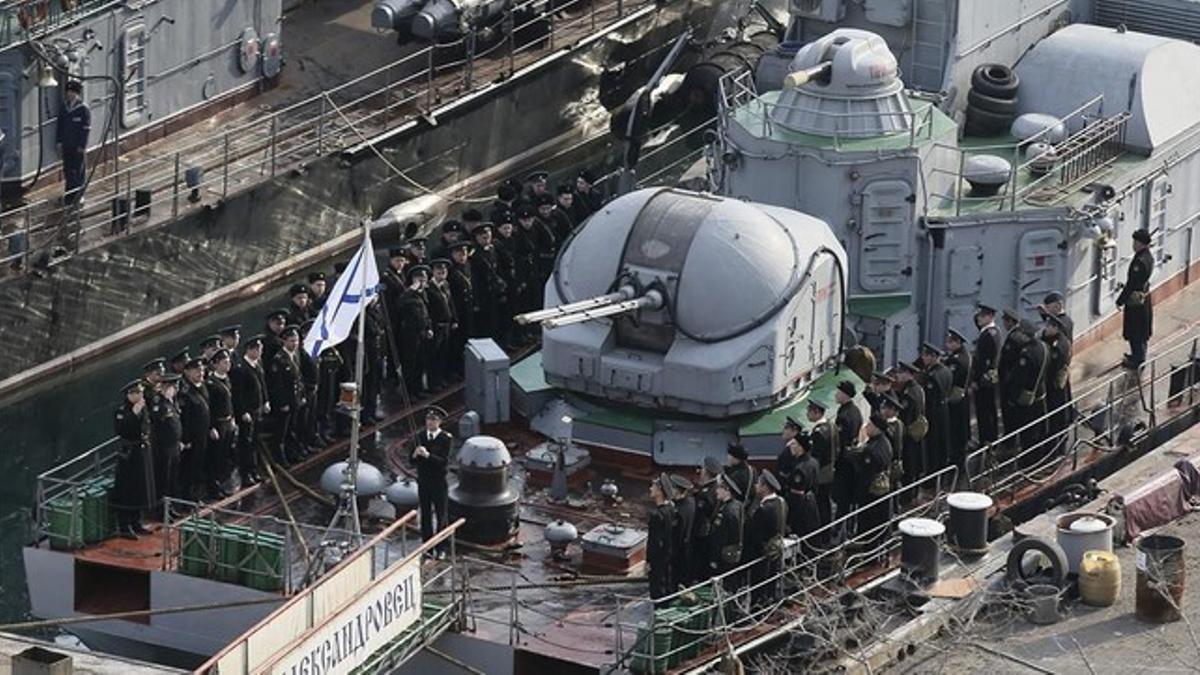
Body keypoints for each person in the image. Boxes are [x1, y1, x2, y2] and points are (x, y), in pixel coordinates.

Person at [114, 380, 154, 538]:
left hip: (141, 452)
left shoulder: (143, 408)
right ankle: (125, 525)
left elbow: (146, 427)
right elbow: (122, 429)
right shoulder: (122, 411)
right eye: (137, 393)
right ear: (130, 395)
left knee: (140, 487)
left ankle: (136, 521)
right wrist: (134, 415)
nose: (141, 395)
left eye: (141, 392)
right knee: (127, 490)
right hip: (128, 455)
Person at [411, 407, 454, 551]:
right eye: (429, 419)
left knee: (441, 514)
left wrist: (428, 455)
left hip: (438, 481)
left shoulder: (445, 439)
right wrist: (415, 455)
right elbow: (411, 462)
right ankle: (427, 545)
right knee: (425, 513)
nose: (430, 422)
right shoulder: (420, 436)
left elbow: (443, 462)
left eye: (434, 420)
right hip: (423, 480)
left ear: (439, 422)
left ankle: (442, 547)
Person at [231, 335, 267, 485]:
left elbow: (262, 384)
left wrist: (265, 400)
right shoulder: (241, 369)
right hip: (248, 413)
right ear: (250, 350)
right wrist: (243, 411)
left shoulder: (257, 364)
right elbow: (238, 394)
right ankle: (246, 474)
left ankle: (254, 469)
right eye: (257, 349)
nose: (260, 352)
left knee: (255, 442)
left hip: (257, 409)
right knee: (246, 442)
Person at [1012, 320, 1049, 465]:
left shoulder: (1026, 353)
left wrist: (1013, 396)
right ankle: (1038, 455)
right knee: (1039, 428)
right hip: (1040, 393)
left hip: (1028, 397)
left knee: (1028, 430)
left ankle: (1028, 460)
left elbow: (1019, 378)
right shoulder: (1043, 347)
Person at [747, 470, 786, 606]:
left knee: (759, 586)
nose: (756, 486)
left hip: (762, 555)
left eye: (758, 483)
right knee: (771, 582)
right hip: (775, 551)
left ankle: (757, 610)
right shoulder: (781, 502)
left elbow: (756, 536)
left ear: (765, 487)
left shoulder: (763, 509)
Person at [854, 414, 894, 551]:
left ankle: (869, 552)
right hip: (883, 489)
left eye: (869, 425)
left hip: (871, 492)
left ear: (876, 428)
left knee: (869, 523)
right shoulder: (885, 442)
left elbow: (865, 472)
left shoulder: (871, 450)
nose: (866, 427)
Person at [1117, 229, 1155, 368]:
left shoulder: (1139, 262)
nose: (1134, 245)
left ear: (1141, 243)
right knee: (1142, 329)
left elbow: (1131, 284)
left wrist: (1120, 300)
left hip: (1135, 300)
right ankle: (1139, 355)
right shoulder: (1148, 257)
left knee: (1135, 330)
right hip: (1144, 297)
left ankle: (1137, 360)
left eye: (1136, 242)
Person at [267, 325, 304, 464]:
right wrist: (282, 403)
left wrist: (301, 396)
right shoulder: (279, 360)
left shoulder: (295, 355)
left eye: (296, 341)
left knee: (293, 428)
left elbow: (299, 378)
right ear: (284, 342)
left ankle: (292, 452)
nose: (294, 344)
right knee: (282, 431)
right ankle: (279, 458)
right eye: (291, 341)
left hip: (295, 399)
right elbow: (277, 385)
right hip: (285, 403)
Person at [781, 422, 821, 545]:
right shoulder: (813, 462)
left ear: (800, 447)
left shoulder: (800, 469)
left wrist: (789, 521)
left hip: (801, 510)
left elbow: (796, 497)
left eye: (794, 444)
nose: (791, 446)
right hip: (812, 504)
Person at [149, 374, 182, 519]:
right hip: (163, 448)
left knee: (172, 479)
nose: (174, 389)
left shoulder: (171, 402)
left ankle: (170, 507)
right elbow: (156, 423)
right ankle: (160, 511)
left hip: (174, 446)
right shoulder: (159, 404)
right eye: (171, 387)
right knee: (162, 480)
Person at [178, 358, 211, 502]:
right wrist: (186, 439)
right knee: (189, 469)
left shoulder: (202, 386)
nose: (200, 373)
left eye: (202, 370)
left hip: (203, 435)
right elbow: (184, 419)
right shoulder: (185, 393)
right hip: (191, 439)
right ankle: (188, 498)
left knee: (200, 465)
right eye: (196, 371)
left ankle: (197, 494)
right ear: (187, 372)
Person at [398, 265, 434, 396]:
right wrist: (411, 289)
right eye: (419, 279)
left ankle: (418, 389)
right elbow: (400, 303)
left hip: (422, 333)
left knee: (420, 363)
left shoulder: (423, 294)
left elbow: (426, 313)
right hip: (410, 334)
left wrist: (429, 328)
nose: (422, 282)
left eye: (424, 279)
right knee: (410, 365)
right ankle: (408, 392)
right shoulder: (408, 294)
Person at [205, 349, 236, 499]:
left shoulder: (226, 379)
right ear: (216, 364)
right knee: (216, 456)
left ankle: (225, 481)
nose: (228, 364)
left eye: (229, 362)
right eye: (224, 362)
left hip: (228, 421)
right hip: (218, 424)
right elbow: (209, 408)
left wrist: (233, 419)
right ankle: (214, 486)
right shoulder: (211, 383)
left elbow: (230, 402)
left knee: (226, 454)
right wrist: (211, 427)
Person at [1042, 314, 1074, 454]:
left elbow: (1052, 366)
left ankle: (1058, 445)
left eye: (1048, 326)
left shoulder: (1059, 345)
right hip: (1056, 385)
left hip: (1056, 386)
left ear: (1055, 328)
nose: (1045, 329)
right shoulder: (1054, 340)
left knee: (1058, 414)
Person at [919, 343, 952, 474]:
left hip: (933, 413)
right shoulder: (946, 371)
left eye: (926, 355)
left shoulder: (932, 376)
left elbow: (929, 399)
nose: (923, 358)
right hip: (944, 410)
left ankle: (932, 475)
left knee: (933, 446)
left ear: (933, 356)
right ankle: (942, 470)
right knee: (942, 442)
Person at [469, 224, 506, 341]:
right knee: (486, 324)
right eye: (484, 238)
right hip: (483, 294)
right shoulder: (475, 255)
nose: (487, 240)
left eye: (488, 237)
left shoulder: (493, 249)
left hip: (494, 292)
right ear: (477, 238)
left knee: (497, 320)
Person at [706, 473, 745, 588]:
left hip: (724, 555)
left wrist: (715, 558)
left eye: (720, 488)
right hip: (728, 552)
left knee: (725, 584)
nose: (717, 490)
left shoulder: (729, 511)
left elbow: (724, 536)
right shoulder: (736, 505)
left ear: (727, 491)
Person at [971, 304, 1002, 445]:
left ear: (990, 317)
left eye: (982, 316)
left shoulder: (988, 335)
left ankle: (987, 439)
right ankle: (989, 438)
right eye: (979, 315)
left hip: (984, 379)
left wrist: (976, 379)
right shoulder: (993, 332)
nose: (979, 318)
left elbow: (984, 361)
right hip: (990, 377)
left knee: (985, 410)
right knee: (989, 409)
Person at [57, 80, 90, 207]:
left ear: (77, 93)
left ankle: (79, 195)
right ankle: (69, 193)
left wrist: (82, 145)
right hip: (67, 144)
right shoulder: (64, 107)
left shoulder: (83, 109)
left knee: (78, 170)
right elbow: (60, 126)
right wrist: (59, 142)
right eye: (68, 92)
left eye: (72, 92)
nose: (69, 94)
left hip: (77, 146)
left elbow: (86, 129)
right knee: (68, 170)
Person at [894, 363, 927, 492]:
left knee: (909, 464)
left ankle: (909, 494)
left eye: (901, 373)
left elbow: (904, 415)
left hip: (909, 433)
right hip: (917, 431)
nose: (898, 375)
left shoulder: (908, 394)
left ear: (908, 374)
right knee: (916, 463)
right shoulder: (918, 388)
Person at [425, 259, 457, 389]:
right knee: (434, 356)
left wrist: (454, 319)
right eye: (439, 271)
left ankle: (441, 379)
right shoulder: (429, 288)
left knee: (444, 354)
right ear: (433, 272)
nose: (442, 273)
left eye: (444, 271)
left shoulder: (445, 285)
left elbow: (451, 303)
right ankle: (433, 383)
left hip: (447, 325)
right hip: (436, 326)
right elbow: (427, 310)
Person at [803, 400, 835, 529]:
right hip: (830, 469)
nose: (807, 414)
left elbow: (816, 457)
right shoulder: (830, 426)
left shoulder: (818, 432)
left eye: (809, 411)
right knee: (825, 502)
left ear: (816, 412)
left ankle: (822, 531)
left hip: (821, 474)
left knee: (821, 503)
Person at [833, 381, 861, 523]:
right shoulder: (855, 411)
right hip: (853, 456)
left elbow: (840, 440)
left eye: (839, 392)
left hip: (844, 459)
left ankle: (841, 526)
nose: (836, 395)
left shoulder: (844, 416)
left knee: (842, 496)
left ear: (845, 394)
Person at [945, 330, 973, 471]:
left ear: (957, 343)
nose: (947, 344)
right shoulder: (961, 356)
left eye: (950, 342)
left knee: (957, 431)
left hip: (957, 399)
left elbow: (950, 379)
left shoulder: (958, 360)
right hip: (962, 397)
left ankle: (958, 461)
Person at [647, 475, 677, 599]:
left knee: (657, 589)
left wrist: (649, 560)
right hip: (669, 556)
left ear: (659, 490)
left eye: (653, 487)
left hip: (658, 559)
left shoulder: (657, 515)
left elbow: (655, 541)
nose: (650, 489)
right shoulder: (671, 509)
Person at [692, 456, 722, 582]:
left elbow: (700, 516)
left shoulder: (706, 494)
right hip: (711, 533)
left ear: (707, 472)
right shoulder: (717, 488)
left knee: (701, 567)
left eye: (703, 469)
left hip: (703, 535)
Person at [447, 242, 474, 376]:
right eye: (459, 253)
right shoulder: (451, 272)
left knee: (467, 339)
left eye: (464, 253)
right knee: (457, 343)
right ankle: (456, 370)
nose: (462, 256)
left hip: (468, 309)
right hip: (458, 310)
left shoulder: (467, 266)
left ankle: (465, 368)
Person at [997, 308, 1023, 442]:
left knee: (1009, 412)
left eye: (1005, 321)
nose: (1004, 324)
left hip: (1009, 383)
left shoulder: (1013, 338)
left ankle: (1010, 440)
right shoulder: (1018, 335)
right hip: (1012, 381)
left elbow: (1008, 362)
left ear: (1011, 322)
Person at [669, 474, 696, 588]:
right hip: (689, 546)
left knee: (676, 579)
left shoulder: (678, 511)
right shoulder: (691, 501)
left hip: (679, 550)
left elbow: (677, 534)